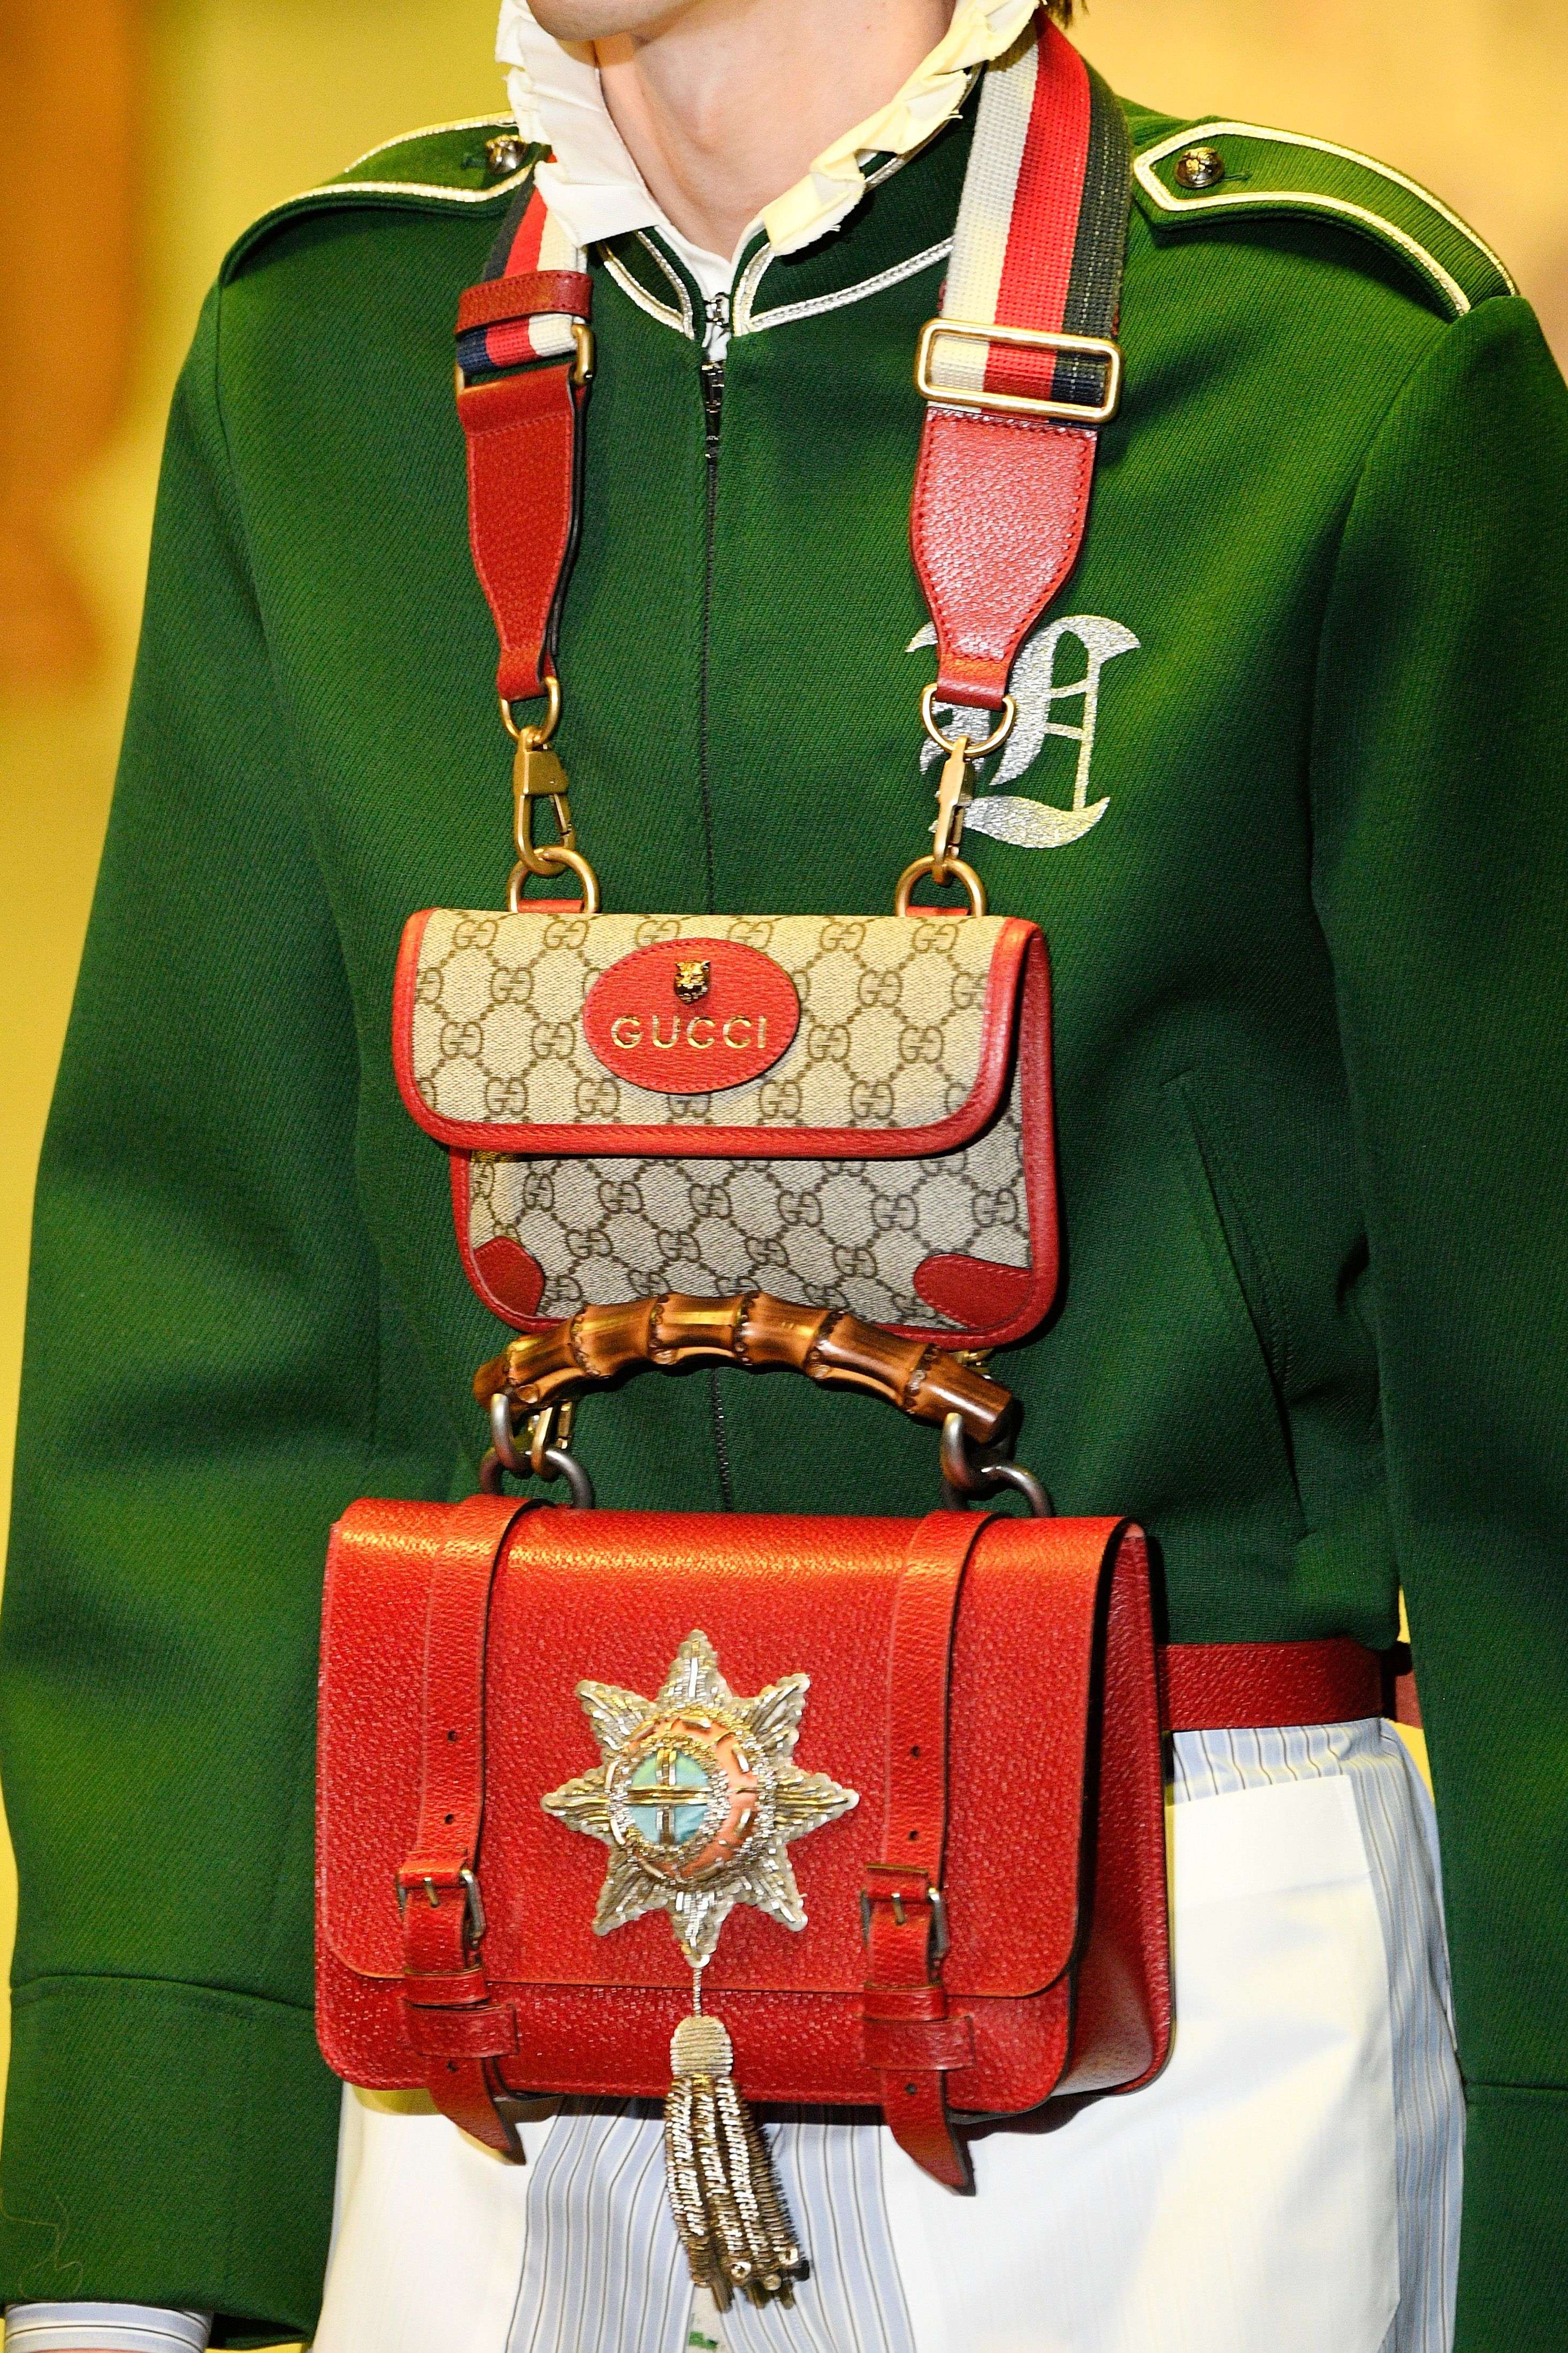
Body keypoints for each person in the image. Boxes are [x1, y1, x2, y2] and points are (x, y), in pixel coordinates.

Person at [3, 0, 1565, 2347]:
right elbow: (205, 1333)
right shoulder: (321, 354)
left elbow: (1536, 1421)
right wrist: (119, 2224)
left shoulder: (1333, 367)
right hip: (465, 2039)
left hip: (1186, 2059)